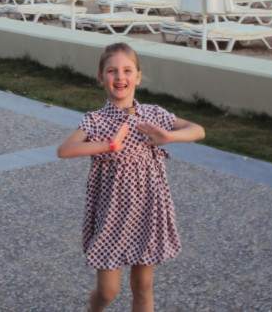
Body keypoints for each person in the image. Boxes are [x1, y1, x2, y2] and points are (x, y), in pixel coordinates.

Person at [57, 42, 205, 312]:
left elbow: (198, 130)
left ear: (137, 76)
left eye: (127, 70)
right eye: (111, 71)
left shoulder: (153, 114)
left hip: (147, 211)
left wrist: (170, 136)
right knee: (108, 291)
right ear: (101, 77)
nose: (119, 77)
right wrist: (109, 145)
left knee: (143, 287)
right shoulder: (95, 120)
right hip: (111, 216)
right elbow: (65, 150)